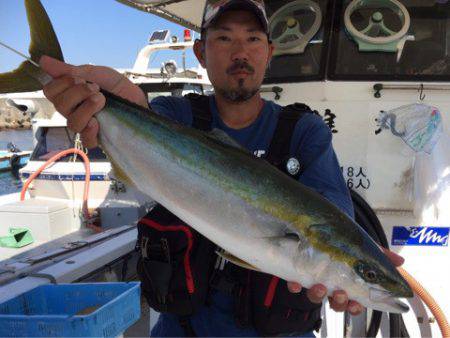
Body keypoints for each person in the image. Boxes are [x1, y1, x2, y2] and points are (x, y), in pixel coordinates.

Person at [40, 0, 405, 336]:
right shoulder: (175, 116)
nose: (240, 52)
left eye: (253, 38)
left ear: (269, 52)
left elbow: (333, 206)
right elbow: (145, 131)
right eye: (224, 38)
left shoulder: (304, 131)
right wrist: (114, 108)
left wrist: (366, 259)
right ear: (200, 51)